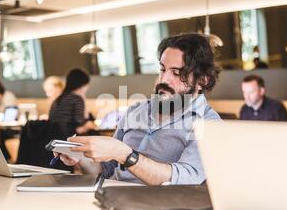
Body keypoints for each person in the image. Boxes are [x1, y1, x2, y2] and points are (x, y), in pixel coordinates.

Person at [56, 33, 221, 186]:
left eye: (176, 73)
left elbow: (184, 181)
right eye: (162, 69)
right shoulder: (137, 110)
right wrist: (80, 157)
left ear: (202, 81)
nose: (163, 79)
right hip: (110, 197)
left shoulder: (209, 125)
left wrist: (125, 155)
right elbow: (106, 170)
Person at [49, 68, 96, 138]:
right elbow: (81, 124)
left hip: (54, 139)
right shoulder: (77, 99)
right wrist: (83, 98)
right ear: (82, 85)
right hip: (69, 140)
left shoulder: (59, 98)